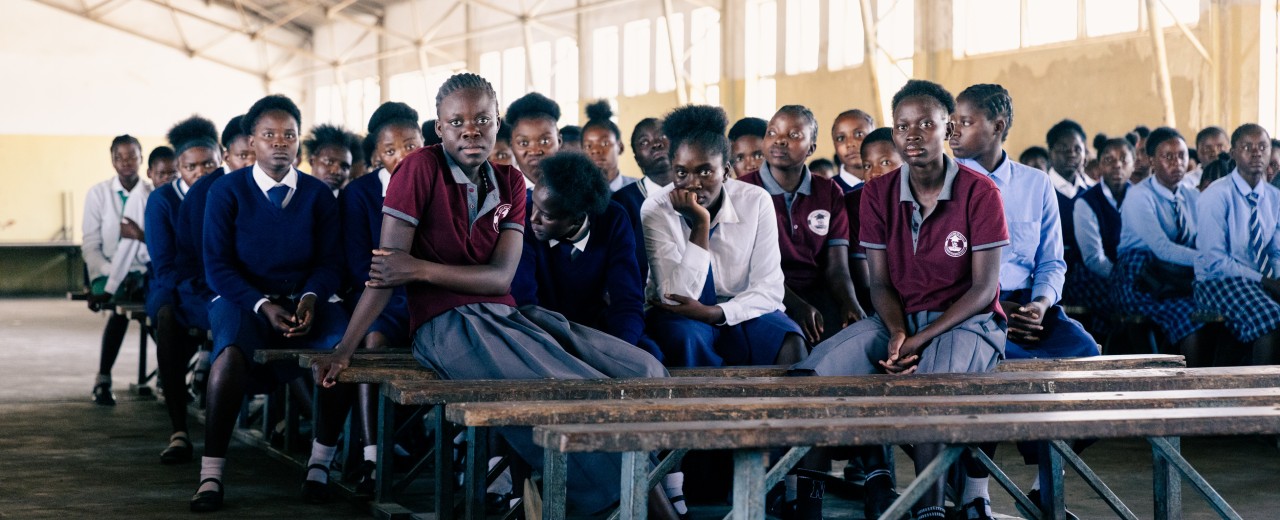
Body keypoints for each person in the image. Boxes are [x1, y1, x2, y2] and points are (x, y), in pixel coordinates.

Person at [310, 73, 674, 518]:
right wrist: (345, 348)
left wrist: (420, 268)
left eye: (482, 119)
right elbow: (386, 274)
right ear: (439, 128)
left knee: (640, 370)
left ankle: (639, 495)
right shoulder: (419, 169)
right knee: (575, 393)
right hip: (448, 327)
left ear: (497, 123)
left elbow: (501, 279)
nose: (470, 129)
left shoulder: (512, 184)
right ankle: (635, 508)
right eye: (456, 121)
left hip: (510, 317)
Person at [793, 80, 1009, 520]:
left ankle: (929, 510)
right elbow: (879, 284)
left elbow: (984, 290)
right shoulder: (878, 193)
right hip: (898, 319)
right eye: (903, 125)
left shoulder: (980, 193)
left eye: (926, 123)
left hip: (968, 322)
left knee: (929, 393)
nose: (913, 134)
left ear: (948, 128)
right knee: (813, 375)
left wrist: (920, 338)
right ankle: (805, 503)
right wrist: (896, 333)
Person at [190, 95, 351, 512]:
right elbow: (217, 267)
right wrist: (262, 304)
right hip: (243, 300)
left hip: (304, 300)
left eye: (289, 135)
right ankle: (211, 473)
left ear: (299, 142)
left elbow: (331, 261)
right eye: (269, 135)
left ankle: (319, 465)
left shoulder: (318, 196)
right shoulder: (227, 191)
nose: (280, 143)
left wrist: (312, 296)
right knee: (228, 358)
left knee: (342, 353)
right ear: (251, 141)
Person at [949, 84, 1095, 519]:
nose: (954, 131)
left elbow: (1053, 261)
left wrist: (1040, 305)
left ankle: (1041, 485)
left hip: (1030, 309)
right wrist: (996, 308)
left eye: (966, 122)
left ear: (999, 126)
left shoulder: (1035, 185)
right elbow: (943, 268)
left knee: (1087, 360)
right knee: (993, 371)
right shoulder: (945, 182)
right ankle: (975, 492)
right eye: (952, 122)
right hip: (970, 308)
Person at [642, 104, 807, 369]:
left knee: (789, 340)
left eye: (705, 171)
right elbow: (676, 296)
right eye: (682, 172)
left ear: (726, 171)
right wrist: (700, 224)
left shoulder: (756, 202)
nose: (693, 183)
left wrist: (717, 313)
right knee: (687, 338)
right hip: (678, 313)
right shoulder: (656, 208)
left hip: (741, 308)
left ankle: (778, 410)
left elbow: (770, 288)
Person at [336, 101, 424, 497]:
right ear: (377, 155)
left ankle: (444, 446)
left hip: (430, 297)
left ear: (425, 140)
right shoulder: (358, 195)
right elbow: (361, 266)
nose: (402, 156)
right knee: (372, 340)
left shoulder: (443, 185)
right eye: (390, 151)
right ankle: (374, 454)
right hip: (382, 302)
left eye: (410, 145)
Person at [739, 105, 865, 343]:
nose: (780, 141)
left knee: (854, 335)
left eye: (794, 135)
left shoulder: (828, 191)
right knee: (794, 340)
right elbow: (749, 270)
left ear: (812, 148)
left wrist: (849, 302)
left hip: (817, 291)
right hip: (763, 293)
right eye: (773, 133)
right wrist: (797, 306)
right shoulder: (743, 190)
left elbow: (836, 267)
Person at [512, 151, 653, 356]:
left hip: (598, 333)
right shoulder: (524, 218)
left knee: (649, 357)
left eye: (547, 215)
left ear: (577, 219)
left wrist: (621, 351)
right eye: (534, 205)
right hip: (542, 334)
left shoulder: (613, 220)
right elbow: (524, 303)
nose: (534, 218)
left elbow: (627, 301)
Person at [147, 116, 221, 465]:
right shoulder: (163, 201)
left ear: (221, 157)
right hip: (174, 285)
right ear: (178, 167)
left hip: (216, 282)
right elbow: (165, 265)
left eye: (208, 163)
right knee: (166, 318)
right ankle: (179, 429)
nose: (201, 171)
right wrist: (201, 290)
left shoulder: (229, 189)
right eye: (191, 166)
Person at [1112, 128, 1208, 365]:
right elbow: (1162, 248)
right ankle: (1190, 385)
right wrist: (1209, 260)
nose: (1177, 163)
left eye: (1182, 155)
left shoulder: (1191, 197)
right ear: (1151, 160)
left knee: (1214, 309)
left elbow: (1200, 240)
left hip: (1177, 275)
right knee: (1190, 317)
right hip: (1140, 276)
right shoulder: (1139, 196)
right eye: (1168, 156)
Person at [1194, 124, 1280, 366]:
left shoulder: (1274, 198)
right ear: (1233, 153)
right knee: (1273, 319)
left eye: (1262, 147)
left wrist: (1277, 278)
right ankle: (1259, 395)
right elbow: (1216, 262)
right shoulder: (1216, 195)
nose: (1256, 153)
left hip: (1258, 280)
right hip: (1216, 282)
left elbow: (1275, 251)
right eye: (1247, 147)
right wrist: (1267, 282)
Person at [82, 134, 150, 406]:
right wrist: (112, 273)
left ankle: (175, 377)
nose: (126, 163)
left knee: (155, 312)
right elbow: (90, 245)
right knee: (120, 309)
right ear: (112, 160)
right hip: (107, 269)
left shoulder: (152, 192)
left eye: (132, 156)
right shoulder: (98, 194)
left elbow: (151, 244)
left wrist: (141, 271)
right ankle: (103, 378)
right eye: (119, 157)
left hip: (144, 269)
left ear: (141, 158)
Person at [1074, 138, 1133, 308]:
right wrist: (1124, 277)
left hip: (1139, 274)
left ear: (1133, 164)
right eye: (1109, 160)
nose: (1117, 165)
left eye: (1124, 159)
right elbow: (1093, 258)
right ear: (1099, 165)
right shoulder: (1086, 202)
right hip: (1099, 275)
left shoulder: (1141, 197)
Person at [613, 117, 672, 279]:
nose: (656, 144)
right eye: (644, 142)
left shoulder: (697, 191)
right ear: (637, 159)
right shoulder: (622, 201)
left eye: (663, 136)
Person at [1045, 119, 1092, 304]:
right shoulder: (1041, 190)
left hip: (1088, 273)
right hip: (1050, 271)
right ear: (1051, 152)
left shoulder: (1092, 192)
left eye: (1077, 149)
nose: (1071, 155)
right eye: (1063, 149)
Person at [505, 92, 563, 191]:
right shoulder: (499, 192)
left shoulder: (576, 187)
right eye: (524, 143)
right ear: (512, 146)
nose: (535, 151)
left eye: (544, 141)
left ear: (559, 141)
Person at [582, 100, 634, 191]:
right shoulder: (576, 194)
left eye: (605, 143)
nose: (595, 150)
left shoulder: (638, 190)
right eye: (588, 146)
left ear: (620, 147)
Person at [830, 109, 876, 193]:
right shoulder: (827, 191)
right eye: (841, 138)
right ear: (834, 145)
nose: (850, 144)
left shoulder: (892, 180)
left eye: (859, 134)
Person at [304, 124, 355, 197]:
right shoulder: (293, 196)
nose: (336, 171)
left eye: (344, 167)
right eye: (329, 162)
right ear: (312, 161)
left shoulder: (352, 202)